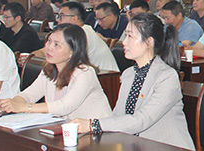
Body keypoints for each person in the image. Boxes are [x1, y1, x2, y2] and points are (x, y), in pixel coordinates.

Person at [73, 13, 195, 150]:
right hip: (135, 145)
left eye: (130, 36)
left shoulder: (167, 77)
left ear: (149, 42)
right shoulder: (129, 74)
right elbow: (118, 116)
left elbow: (142, 120)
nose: (124, 42)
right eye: (125, 35)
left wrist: (93, 124)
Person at [0, 24, 112, 120]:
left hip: (97, 133)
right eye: (49, 41)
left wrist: (23, 107)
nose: (49, 47)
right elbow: (29, 95)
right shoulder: (49, 69)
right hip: (68, 129)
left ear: (72, 52)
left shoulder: (85, 73)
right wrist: (11, 103)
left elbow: (64, 106)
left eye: (56, 45)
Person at [45, 1, 118, 72]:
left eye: (61, 16)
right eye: (58, 16)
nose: (57, 20)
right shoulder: (77, 32)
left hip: (106, 76)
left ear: (74, 18)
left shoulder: (84, 33)